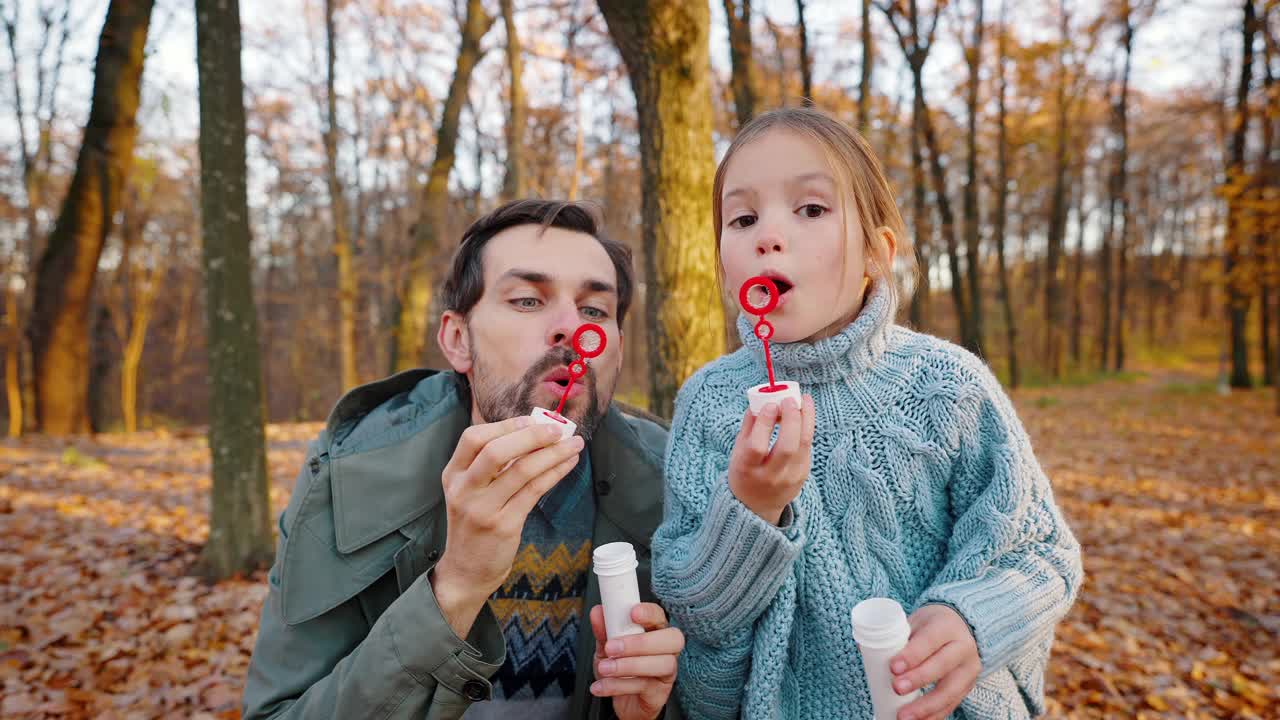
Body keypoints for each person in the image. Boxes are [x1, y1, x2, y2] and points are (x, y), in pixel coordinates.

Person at [651, 108, 1083, 720]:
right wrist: (749, 510)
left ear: (876, 254)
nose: (768, 235)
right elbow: (693, 615)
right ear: (727, 270)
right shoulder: (709, 406)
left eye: (811, 209)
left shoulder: (946, 385)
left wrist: (972, 619)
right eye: (743, 218)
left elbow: (1040, 552)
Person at [243, 200, 684, 720]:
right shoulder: (348, 478)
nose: (571, 329)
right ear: (458, 340)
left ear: (617, 349)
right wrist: (454, 587)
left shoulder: (675, 484)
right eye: (527, 300)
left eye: (594, 311)